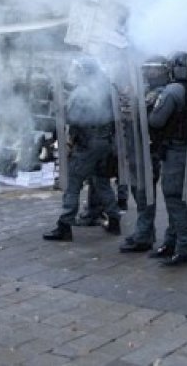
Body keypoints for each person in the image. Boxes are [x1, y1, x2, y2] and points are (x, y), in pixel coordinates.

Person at [43, 56, 121, 242]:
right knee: (101, 182)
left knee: (73, 183)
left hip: (88, 143)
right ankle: (114, 218)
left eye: (78, 70)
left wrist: (60, 109)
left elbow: (72, 118)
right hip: (105, 141)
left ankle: (65, 224)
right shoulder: (107, 88)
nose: (75, 74)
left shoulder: (82, 92)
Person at [147, 51, 187, 267]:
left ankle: (184, 247)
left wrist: (148, 105)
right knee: (176, 198)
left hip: (176, 150)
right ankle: (171, 242)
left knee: (174, 197)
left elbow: (156, 121)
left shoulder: (172, 90)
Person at [120, 55, 170, 253]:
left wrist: (133, 101)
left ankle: (143, 235)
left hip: (150, 150)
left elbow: (145, 114)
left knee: (144, 192)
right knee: (138, 190)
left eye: (154, 69)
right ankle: (145, 231)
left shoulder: (162, 92)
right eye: (147, 69)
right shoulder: (147, 90)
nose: (149, 72)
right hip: (138, 147)